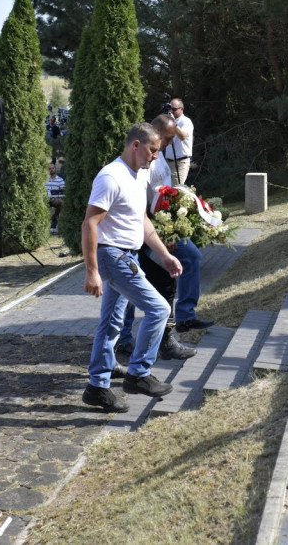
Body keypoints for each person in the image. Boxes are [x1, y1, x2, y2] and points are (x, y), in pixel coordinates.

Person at [81, 122, 183, 413]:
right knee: (159, 309)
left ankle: (97, 387)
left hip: (130, 255)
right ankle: (138, 373)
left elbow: (141, 220)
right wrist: (92, 271)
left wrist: (163, 254)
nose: (154, 157)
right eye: (152, 150)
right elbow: (89, 223)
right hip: (113, 257)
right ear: (135, 145)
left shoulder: (139, 175)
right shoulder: (111, 177)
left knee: (112, 322)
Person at [115, 114, 207, 363]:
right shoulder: (129, 168)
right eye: (165, 139)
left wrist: (174, 227)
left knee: (170, 276)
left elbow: (162, 197)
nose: (165, 146)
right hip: (127, 241)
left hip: (152, 230)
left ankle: (168, 337)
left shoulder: (157, 158)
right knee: (124, 296)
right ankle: (121, 346)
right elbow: (134, 209)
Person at [164, 98, 193, 185]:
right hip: (168, 162)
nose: (171, 111)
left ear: (182, 109)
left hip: (180, 163)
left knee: (176, 190)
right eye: (170, 109)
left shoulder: (186, 121)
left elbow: (183, 136)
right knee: (166, 190)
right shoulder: (169, 121)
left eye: (174, 109)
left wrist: (173, 123)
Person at [46, 161, 65, 233]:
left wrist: (55, 197)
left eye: (53, 168)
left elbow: (62, 192)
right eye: (50, 168)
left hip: (55, 200)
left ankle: (54, 217)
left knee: (61, 202)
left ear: (55, 169)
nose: (51, 169)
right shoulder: (45, 179)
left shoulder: (60, 180)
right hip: (45, 199)